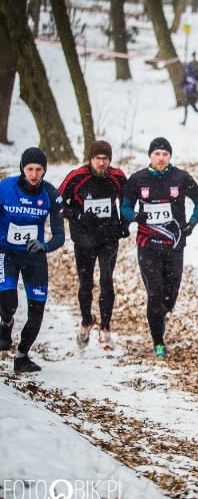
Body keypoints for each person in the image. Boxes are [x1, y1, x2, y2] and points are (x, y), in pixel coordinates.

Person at [121, 137, 198, 360]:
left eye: (165, 154)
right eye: (157, 154)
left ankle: (163, 314)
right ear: (150, 156)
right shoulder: (138, 179)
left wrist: (192, 223)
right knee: (154, 292)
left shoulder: (180, 177)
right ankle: (158, 341)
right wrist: (134, 217)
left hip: (175, 244)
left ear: (170, 156)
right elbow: (125, 206)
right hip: (147, 245)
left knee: (170, 295)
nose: (161, 158)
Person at [59, 140, 130, 350]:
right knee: (86, 283)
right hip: (84, 239)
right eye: (98, 158)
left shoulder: (117, 177)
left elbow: (128, 202)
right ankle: (86, 320)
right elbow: (57, 203)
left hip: (108, 237)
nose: (101, 163)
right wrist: (78, 215)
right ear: (90, 159)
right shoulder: (77, 177)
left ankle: (105, 328)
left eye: (105, 159)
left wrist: (124, 224)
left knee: (107, 281)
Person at [0, 147, 65, 372]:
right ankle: (6, 324)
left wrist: (44, 246)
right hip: (5, 252)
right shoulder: (5, 188)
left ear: (45, 171)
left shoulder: (51, 194)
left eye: (39, 169)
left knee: (36, 309)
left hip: (34, 257)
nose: (34, 174)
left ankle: (21, 356)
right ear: (22, 168)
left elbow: (60, 236)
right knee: (8, 300)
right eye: (30, 169)